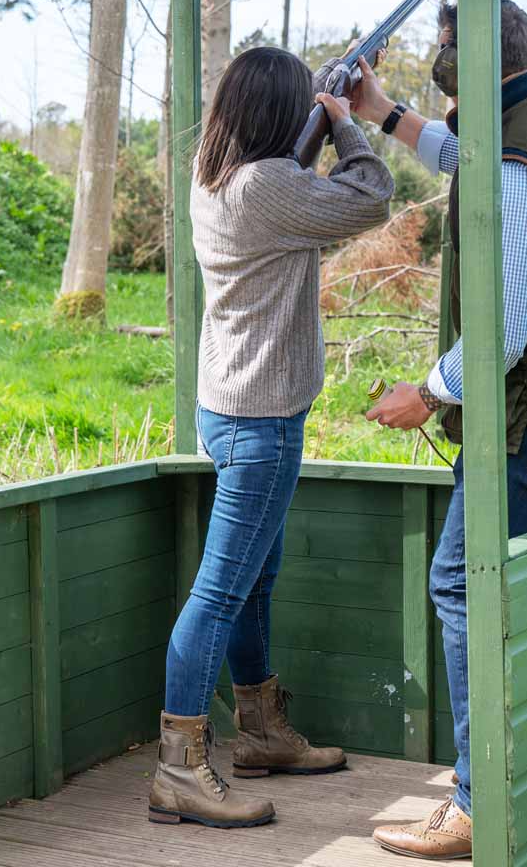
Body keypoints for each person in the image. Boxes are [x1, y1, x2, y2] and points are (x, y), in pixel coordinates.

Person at [357, 0, 527, 861]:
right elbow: (464, 156)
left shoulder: (518, 157)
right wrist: (383, 116)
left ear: (465, 67)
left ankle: (479, 802)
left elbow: (503, 334)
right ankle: (522, 775)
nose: (434, 62)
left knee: (466, 589)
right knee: (517, 597)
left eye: (440, 52)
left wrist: (426, 395)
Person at [148, 45, 394, 830]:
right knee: (220, 593)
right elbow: (373, 197)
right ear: (282, 116)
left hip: (225, 408)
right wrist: (344, 122)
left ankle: (260, 735)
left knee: (254, 577)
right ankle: (179, 770)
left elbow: (289, 181)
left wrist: (314, 120)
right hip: (264, 422)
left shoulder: (215, 176)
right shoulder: (266, 187)